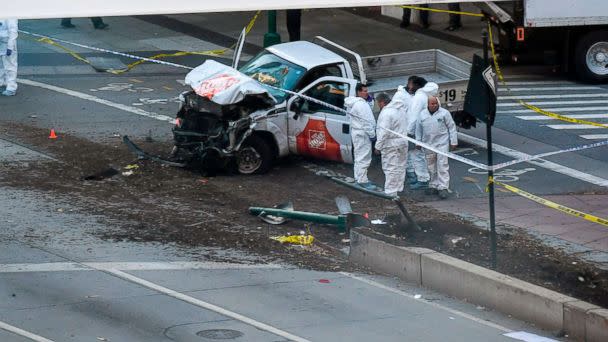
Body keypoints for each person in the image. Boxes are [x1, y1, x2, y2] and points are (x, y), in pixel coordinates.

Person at [415, 96, 458, 199]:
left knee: (442, 165)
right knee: (431, 166)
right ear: (428, 104)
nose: (434, 105)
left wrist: (453, 141)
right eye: (432, 104)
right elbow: (418, 129)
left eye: (435, 103)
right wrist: (418, 142)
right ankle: (433, 185)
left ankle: (443, 187)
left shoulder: (444, 113)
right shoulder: (422, 114)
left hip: (442, 144)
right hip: (428, 144)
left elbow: (452, 127)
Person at [375, 92, 410, 197]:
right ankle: (399, 188)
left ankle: (390, 192)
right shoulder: (401, 110)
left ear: (381, 102)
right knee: (401, 166)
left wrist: (378, 146)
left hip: (391, 143)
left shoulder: (386, 113)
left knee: (390, 167)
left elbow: (383, 132)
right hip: (403, 141)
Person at [407, 78, 439, 190]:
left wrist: (409, 132)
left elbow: (413, 116)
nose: (409, 87)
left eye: (411, 84)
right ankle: (430, 178)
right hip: (428, 130)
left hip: (417, 130)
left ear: (417, 85)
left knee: (417, 155)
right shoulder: (430, 97)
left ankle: (423, 179)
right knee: (426, 155)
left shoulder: (418, 97)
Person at [344, 83, 377, 190]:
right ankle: (363, 181)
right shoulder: (361, 105)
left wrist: (370, 100)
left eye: (367, 90)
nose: (367, 93)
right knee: (364, 157)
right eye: (365, 91)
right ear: (358, 92)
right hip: (363, 134)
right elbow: (366, 121)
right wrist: (372, 135)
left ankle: (359, 178)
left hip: (358, 133)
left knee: (359, 156)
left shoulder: (356, 103)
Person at [0, 19, 18, 96]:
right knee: (1, 65)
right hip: (1, 41)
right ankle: (2, 82)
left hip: (6, 42)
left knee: (10, 65)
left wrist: (10, 46)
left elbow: (13, 30)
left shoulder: (10, 14)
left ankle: (11, 87)